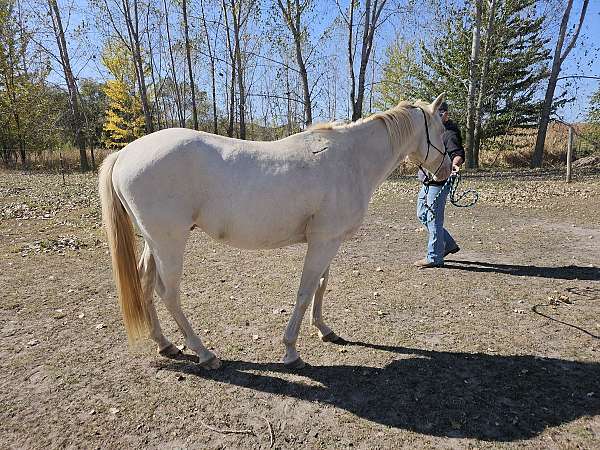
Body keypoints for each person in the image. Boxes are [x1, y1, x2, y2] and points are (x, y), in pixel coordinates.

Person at [414, 101, 465, 268]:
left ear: (446, 114)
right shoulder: (432, 130)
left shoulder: (448, 133)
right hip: (428, 180)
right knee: (422, 213)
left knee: (433, 218)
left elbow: (457, 153)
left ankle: (434, 257)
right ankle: (447, 244)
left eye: (440, 113)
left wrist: (456, 164)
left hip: (439, 181)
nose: (437, 116)